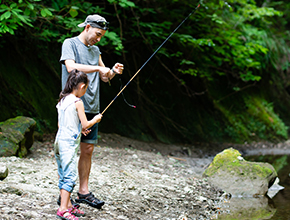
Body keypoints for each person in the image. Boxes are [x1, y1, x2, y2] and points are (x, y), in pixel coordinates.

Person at [59, 14, 124, 209]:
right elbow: (71, 67)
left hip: (92, 106)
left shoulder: (96, 50)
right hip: (72, 105)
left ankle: (83, 192)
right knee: (68, 150)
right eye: (97, 33)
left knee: (87, 149)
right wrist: (97, 68)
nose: (99, 38)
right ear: (87, 27)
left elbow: (105, 77)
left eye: (102, 35)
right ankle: (65, 196)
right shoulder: (69, 43)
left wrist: (112, 71)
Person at [54, 69, 103, 220]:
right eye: (86, 88)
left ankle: (68, 205)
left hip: (59, 141)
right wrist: (96, 119)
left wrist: (78, 130)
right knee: (69, 176)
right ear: (82, 86)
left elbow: (61, 125)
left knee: (63, 174)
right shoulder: (78, 102)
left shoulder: (62, 100)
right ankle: (63, 209)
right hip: (68, 144)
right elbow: (86, 124)